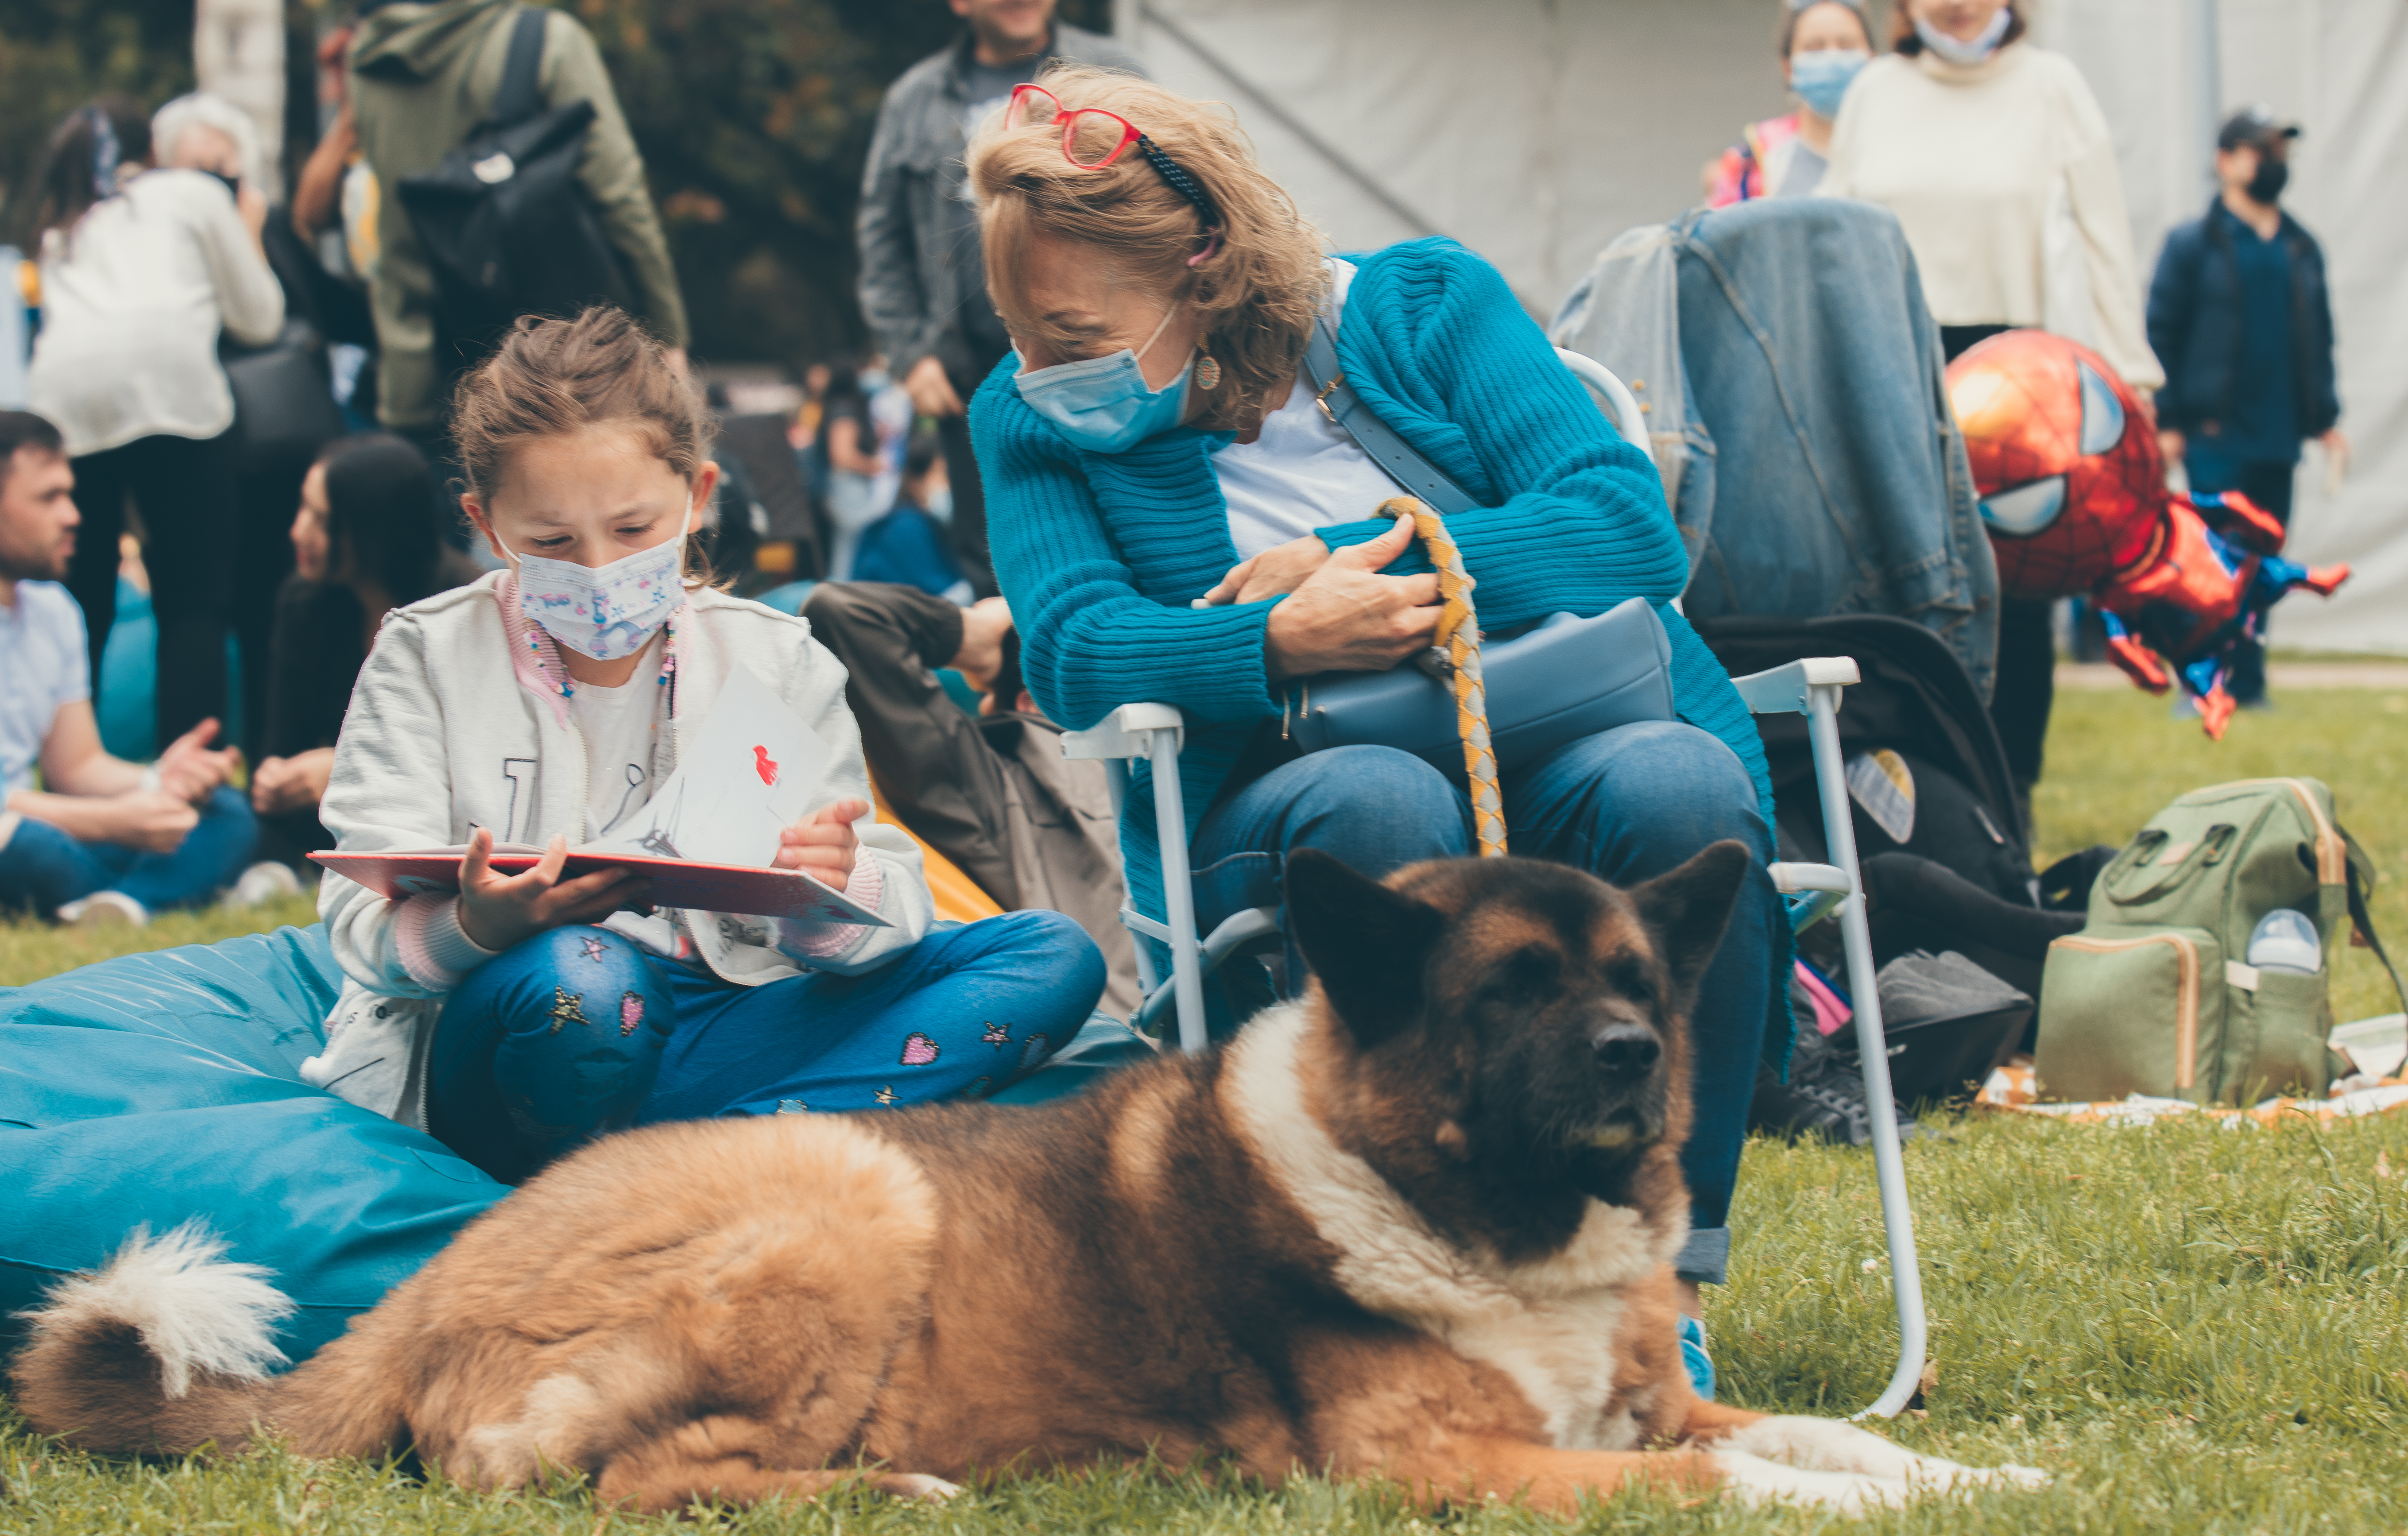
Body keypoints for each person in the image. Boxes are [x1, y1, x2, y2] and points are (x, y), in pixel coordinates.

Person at [965, 68, 1785, 1388]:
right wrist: (1272, 638)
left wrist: (1350, 559)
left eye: (1073, 330)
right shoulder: (1031, 420)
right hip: (1284, 798)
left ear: (1206, 264)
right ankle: (1396, 1278)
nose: (1040, 370)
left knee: (1680, 783)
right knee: (1376, 807)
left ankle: (1657, 1283)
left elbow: (1622, 521)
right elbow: (1068, 650)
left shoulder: (1423, 307)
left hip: (1550, 745)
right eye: (1018, 330)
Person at [304, 307, 1103, 1183]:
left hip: (729, 1020)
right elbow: (361, 923)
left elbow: (884, 903)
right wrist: (475, 924)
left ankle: (700, 1170)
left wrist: (830, 888)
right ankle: (678, 1169)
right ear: (487, 526)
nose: (600, 565)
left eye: (635, 528)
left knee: (1051, 956)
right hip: (528, 1028)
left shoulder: (777, 656)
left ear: (699, 495)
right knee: (590, 978)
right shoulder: (425, 653)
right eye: (552, 542)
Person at [1819, 0, 2162, 799]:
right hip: (1894, 361)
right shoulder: (1873, 91)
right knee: (1895, 582)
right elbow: (1831, 237)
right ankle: (1915, 795)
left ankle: (2011, 801)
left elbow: (2104, 241)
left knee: (2015, 593)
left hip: (2020, 379)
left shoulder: (2051, 86)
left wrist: (2128, 381)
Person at [857, 0, 1143, 599]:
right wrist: (911, 356)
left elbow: (1160, 198)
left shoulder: (1109, 71)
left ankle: (1135, 664)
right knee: (994, 546)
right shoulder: (914, 97)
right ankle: (1015, 682)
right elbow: (880, 238)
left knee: (1125, 518)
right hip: (969, 370)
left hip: (1096, 354)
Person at [23, 97, 285, 749]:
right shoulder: (192, 194)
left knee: (83, 598)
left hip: (65, 408)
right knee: (191, 599)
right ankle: (190, 776)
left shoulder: (65, 222)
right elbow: (261, 317)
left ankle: (61, 759)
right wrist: (249, 227)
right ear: (154, 149)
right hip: (174, 398)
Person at [345, 0, 687, 445]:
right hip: (552, 376)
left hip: (417, 365)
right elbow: (619, 195)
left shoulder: (372, 56)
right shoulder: (546, 41)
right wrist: (666, 331)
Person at [801, 580, 1138, 1018]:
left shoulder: (1009, 777)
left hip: (1095, 1033)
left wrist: (978, 635)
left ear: (1029, 703)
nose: (978, 711)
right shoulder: (1174, 770)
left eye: (984, 696)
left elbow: (844, 612)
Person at [0, 410, 275, 926]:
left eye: (68, 494)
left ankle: (120, 904)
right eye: (48, 498)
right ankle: (172, 888)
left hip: (44, 830)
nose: (72, 515)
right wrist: (114, 822)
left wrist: (160, 783)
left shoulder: (54, 610)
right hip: (18, 839)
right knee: (31, 846)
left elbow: (77, 767)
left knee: (226, 811)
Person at [2146, 107, 2342, 709]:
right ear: (2225, 162)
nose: (2272, 165)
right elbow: (2161, 333)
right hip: (2213, 434)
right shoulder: (2192, 244)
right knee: (2212, 563)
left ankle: (2250, 683)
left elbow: (2319, 338)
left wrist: (2326, 419)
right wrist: (2169, 420)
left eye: (2279, 154)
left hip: (2277, 435)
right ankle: (2201, 683)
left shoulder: (2299, 246)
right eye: (2261, 152)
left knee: (2261, 564)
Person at [252, 434, 482, 865]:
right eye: (303, 508)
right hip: (329, 825)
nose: (298, 532)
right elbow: (281, 745)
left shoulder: (465, 607)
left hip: (444, 824)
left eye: (323, 521)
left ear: (374, 530)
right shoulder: (306, 601)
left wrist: (345, 768)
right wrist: (276, 780)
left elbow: (479, 764)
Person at [1704, 0, 1877, 206]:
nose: (1832, 56)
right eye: (1814, 48)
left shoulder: (1901, 150)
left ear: (1873, 60)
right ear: (1788, 68)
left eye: (1847, 46)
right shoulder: (1752, 162)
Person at [852, 431, 970, 599]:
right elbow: (944, 595)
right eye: (941, 474)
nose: (949, 485)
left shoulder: (923, 523)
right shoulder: (906, 526)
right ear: (915, 481)